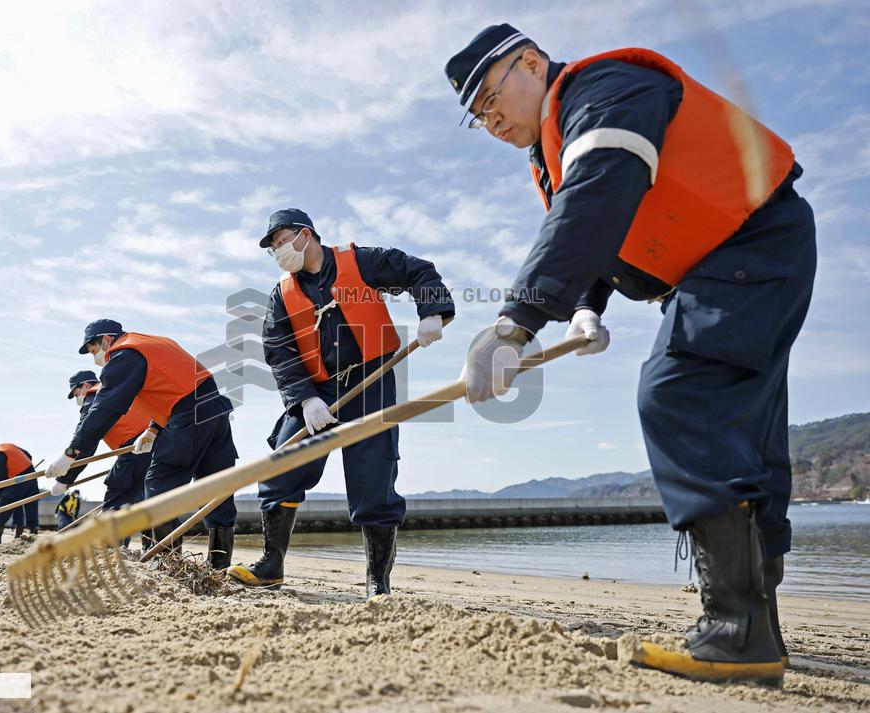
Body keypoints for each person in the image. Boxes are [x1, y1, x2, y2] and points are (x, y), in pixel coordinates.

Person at [444, 24, 815, 684]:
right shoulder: (555, 148)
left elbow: (599, 195)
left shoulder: (607, 89)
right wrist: (587, 307)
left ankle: (736, 629)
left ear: (531, 62)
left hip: (751, 243)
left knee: (681, 394)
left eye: (492, 97)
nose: (491, 118)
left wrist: (514, 324)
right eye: (478, 116)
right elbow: (601, 230)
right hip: (734, 260)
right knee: (744, 434)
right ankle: (755, 626)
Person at [227, 209, 455, 597]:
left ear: (306, 234)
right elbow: (278, 352)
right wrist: (305, 398)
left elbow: (419, 270)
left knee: (373, 479)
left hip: (371, 383)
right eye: (273, 247)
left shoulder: (362, 261)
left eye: (283, 240)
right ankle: (271, 566)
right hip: (316, 391)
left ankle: (377, 582)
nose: (279, 250)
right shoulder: (281, 295)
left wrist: (432, 310)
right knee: (281, 467)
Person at [44, 320, 238, 568]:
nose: (95, 358)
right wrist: (152, 429)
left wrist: (70, 453)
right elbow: (175, 387)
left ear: (105, 339)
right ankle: (219, 567)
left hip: (189, 416)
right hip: (214, 411)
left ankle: (167, 561)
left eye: (94, 350)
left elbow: (107, 408)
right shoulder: (150, 343)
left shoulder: (125, 354)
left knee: (159, 485)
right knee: (216, 487)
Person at [51, 370, 154, 549]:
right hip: (154, 440)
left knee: (117, 494)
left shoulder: (94, 397)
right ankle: (149, 551)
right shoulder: (116, 390)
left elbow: (84, 444)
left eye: (76, 394)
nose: (78, 400)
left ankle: (109, 550)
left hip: (135, 447)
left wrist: (64, 480)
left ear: (86, 386)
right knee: (145, 499)